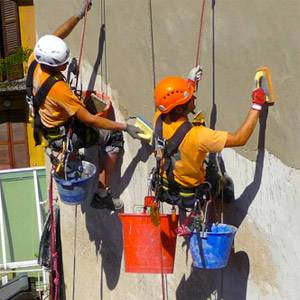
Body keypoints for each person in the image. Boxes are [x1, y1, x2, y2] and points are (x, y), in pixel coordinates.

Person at [27, 0, 142, 210]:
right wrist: (126, 127)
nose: (65, 63)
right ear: (54, 66)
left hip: (46, 125)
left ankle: (80, 164)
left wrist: (79, 15)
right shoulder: (58, 90)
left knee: (92, 129)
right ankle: (102, 193)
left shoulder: (35, 58)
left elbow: (57, 34)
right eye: (63, 63)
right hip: (62, 134)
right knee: (112, 138)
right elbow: (89, 119)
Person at [152, 65, 267, 218]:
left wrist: (191, 83)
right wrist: (257, 105)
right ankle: (216, 213)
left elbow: (172, 104)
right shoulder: (200, 136)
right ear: (179, 109)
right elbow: (240, 139)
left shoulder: (159, 118)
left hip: (166, 187)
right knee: (220, 181)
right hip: (189, 194)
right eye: (190, 96)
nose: (194, 97)